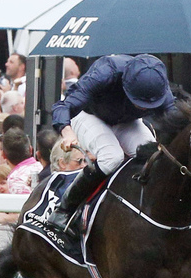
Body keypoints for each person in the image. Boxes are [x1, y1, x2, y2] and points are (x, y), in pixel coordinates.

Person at [48, 54, 176, 233]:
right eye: (139, 101)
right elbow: (63, 106)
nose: (145, 108)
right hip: (88, 115)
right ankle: (65, 210)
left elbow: (177, 121)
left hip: (126, 122)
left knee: (154, 159)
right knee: (112, 157)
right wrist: (67, 132)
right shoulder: (106, 72)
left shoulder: (159, 86)